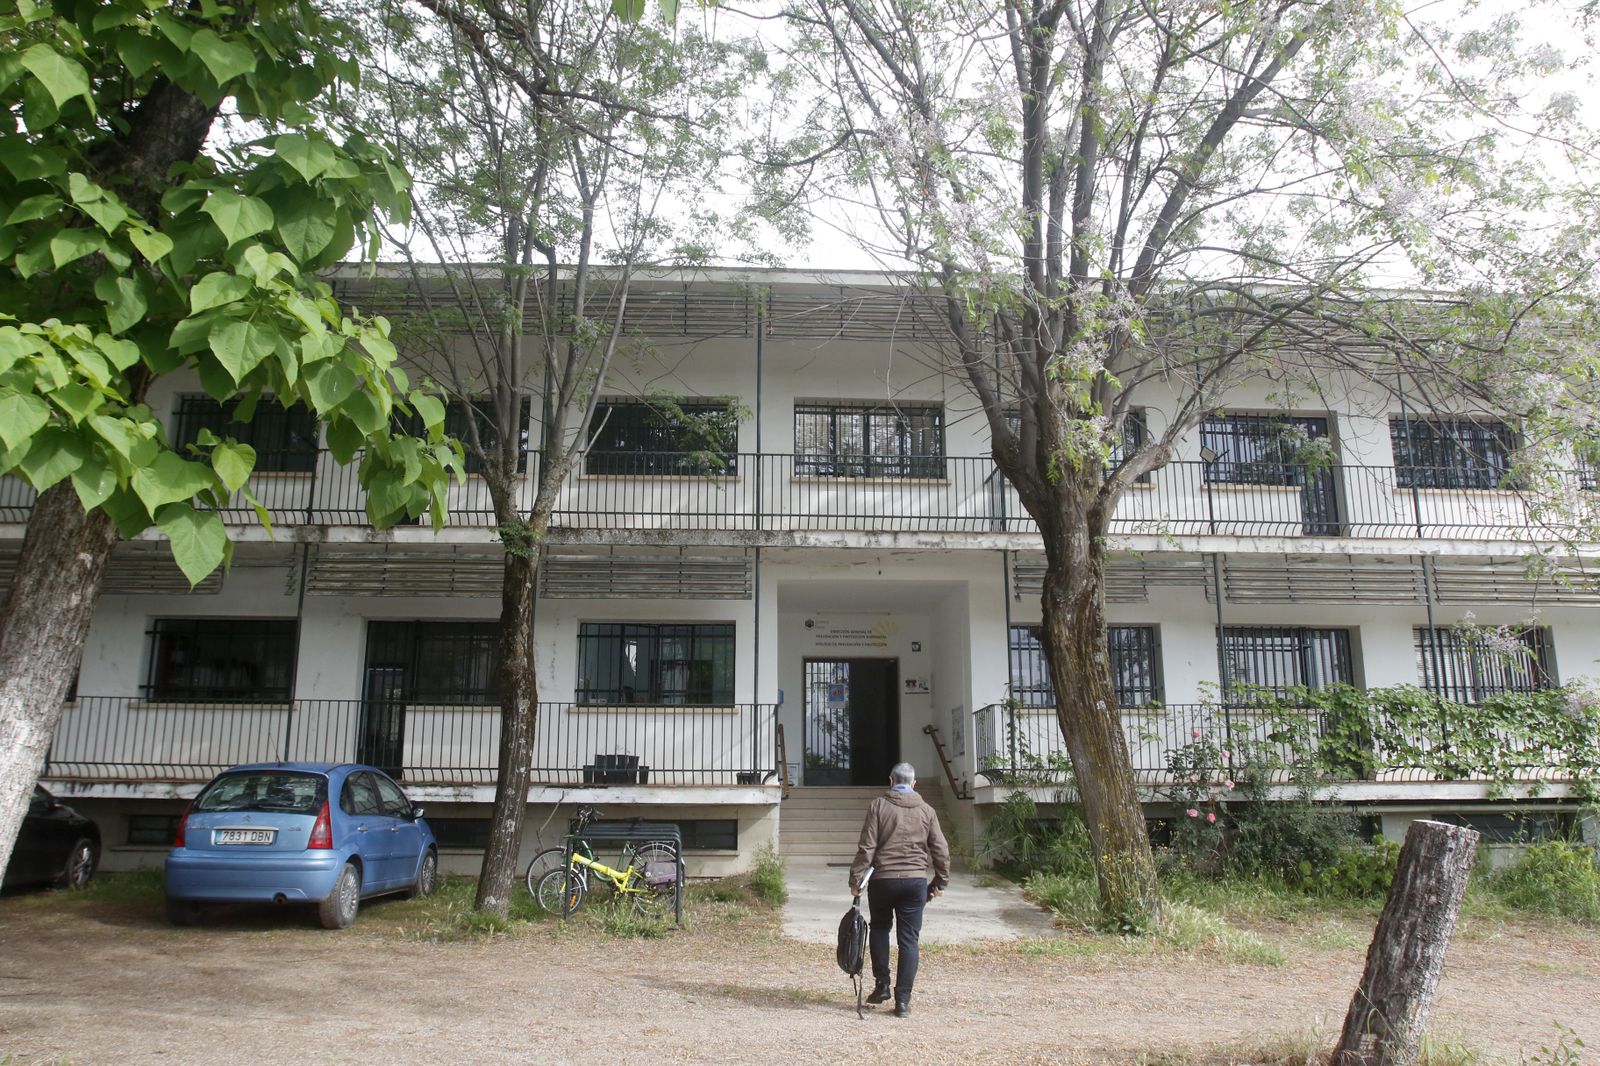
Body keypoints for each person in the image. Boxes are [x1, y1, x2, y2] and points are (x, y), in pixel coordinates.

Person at [847, 761, 950, 1018]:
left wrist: (856, 880)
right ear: (914, 784)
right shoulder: (927, 810)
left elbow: (867, 847)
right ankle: (903, 1001)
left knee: (880, 928)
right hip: (915, 882)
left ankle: (882, 984)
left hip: (883, 880)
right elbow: (941, 849)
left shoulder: (878, 806)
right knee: (909, 940)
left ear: (891, 781)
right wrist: (939, 882)